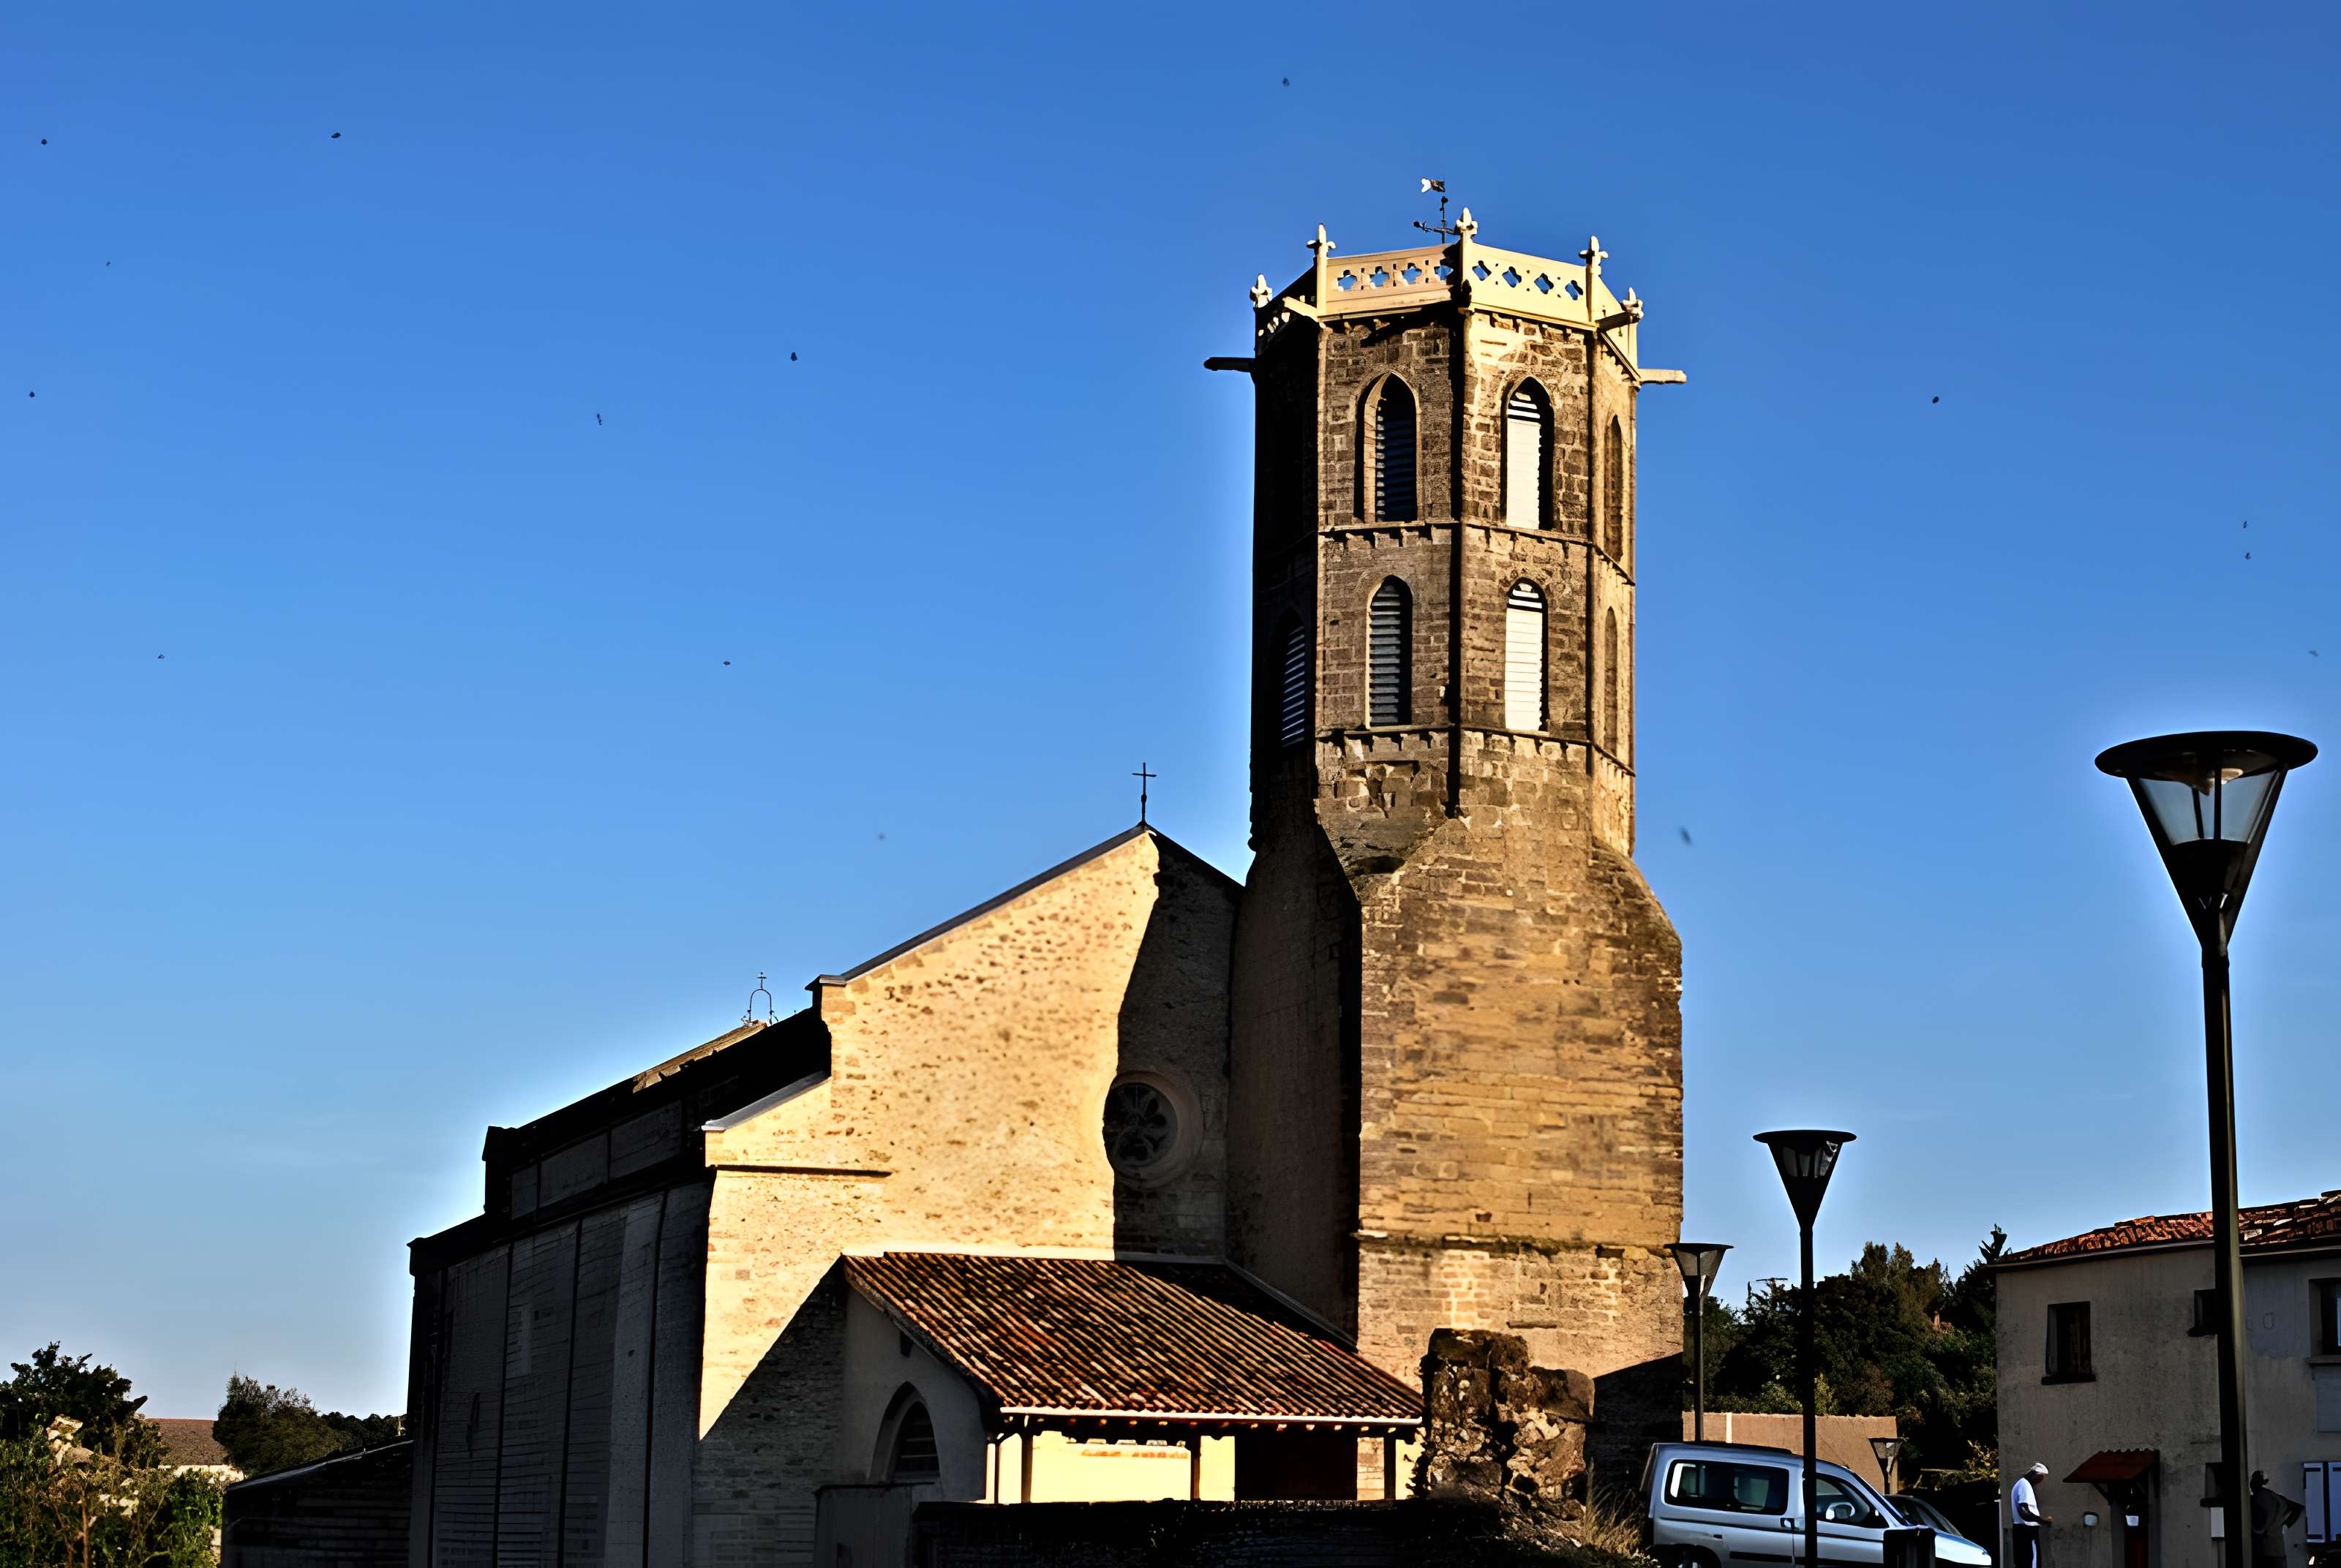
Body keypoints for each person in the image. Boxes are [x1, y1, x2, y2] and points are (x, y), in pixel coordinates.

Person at [2252, 1470, 2305, 1568]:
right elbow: (2298, 1508)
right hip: (2278, 1551)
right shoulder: (2278, 1499)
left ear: (2254, 1483)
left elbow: (2258, 1526)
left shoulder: (2255, 1499)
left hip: (2261, 1551)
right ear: (2267, 1483)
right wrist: (2286, 1525)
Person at [2011, 1462, 2053, 1568]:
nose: (2041, 1481)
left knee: (2023, 1562)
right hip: (2027, 1531)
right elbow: (2023, 1509)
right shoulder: (2025, 1485)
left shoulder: (2021, 1484)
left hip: (2020, 1530)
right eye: (2041, 1478)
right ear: (2035, 1475)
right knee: (2031, 1563)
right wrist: (2041, 1520)